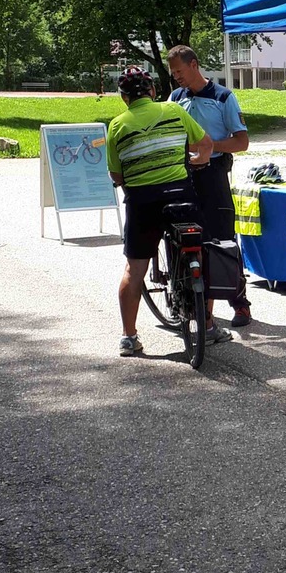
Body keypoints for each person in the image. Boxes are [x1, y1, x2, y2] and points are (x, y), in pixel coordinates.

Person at [107, 66, 230, 356]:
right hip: (180, 195)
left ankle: (129, 337)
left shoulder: (117, 126)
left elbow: (117, 176)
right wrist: (198, 161)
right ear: (152, 91)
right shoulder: (174, 111)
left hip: (142, 202)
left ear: (124, 98)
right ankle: (208, 324)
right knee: (200, 250)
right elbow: (206, 144)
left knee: (134, 269)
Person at [167, 45, 253, 328]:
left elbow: (241, 142)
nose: (176, 77)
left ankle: (240, 304)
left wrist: (208, 146)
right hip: (184, 175)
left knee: (222, 241)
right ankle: (192, 305)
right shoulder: (175, 98)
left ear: (194, 64)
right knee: (187, 239)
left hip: (214, 174)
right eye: (173, 72)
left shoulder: (223, 97)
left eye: (179, 71)